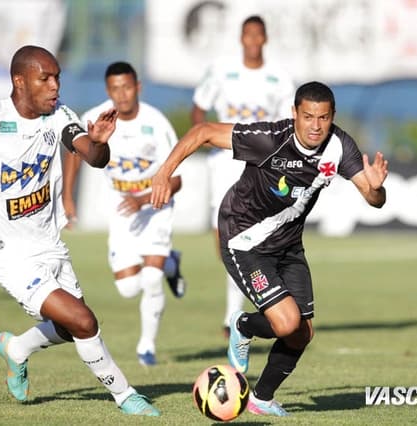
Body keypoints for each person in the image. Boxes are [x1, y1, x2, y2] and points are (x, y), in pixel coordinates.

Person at [0, 45, 160, 416]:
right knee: (84, 321)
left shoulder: (60, 116)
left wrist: (99, 142)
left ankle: (17, 349)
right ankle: (126, 396)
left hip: (50, 246)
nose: (55, 86)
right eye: (45, 78)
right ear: (20, 81)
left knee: (68, 328)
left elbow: (93, 158)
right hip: (9, 255)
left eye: (58, 77)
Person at [151, 81, 388, 416]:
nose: (315, 126)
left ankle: (261, 398)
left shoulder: (339, 145)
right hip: (243, 238)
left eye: (323, 117)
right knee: (287, 323)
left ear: (332, 116)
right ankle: (244, 325)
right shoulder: (270, 139)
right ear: (294, 114)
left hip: (288, 243)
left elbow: (373, 197)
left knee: (302, 333)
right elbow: (203, 131)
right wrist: (163, 174)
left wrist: (377, 189)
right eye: (308, 116)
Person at [62, 61, 185, 367]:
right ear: (108, 90)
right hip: (121, 211)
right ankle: (172, 263)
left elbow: (178, 179)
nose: (122, 94)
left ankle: (146, 347)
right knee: (129, 288)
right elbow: (75, 153)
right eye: (115, 88)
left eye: (127, 87)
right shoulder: (95, 118)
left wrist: (144, 198)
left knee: (152, 278)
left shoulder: (157, 123)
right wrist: (67, 196)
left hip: (155, 207)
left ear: (138, 87)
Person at [191, 15, 295, 337]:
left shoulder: (279, 77)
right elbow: (199, 105)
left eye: (257, 35)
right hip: (224, 158)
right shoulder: (222, 69)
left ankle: (232, 316)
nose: (252, 40)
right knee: (221, 238)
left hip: (260, 162)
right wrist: (200, 137)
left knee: (245, 234)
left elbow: (290, 119)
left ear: (264, 39)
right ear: (241, 38)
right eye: (247, 35)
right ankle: (239, 304)